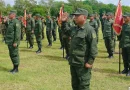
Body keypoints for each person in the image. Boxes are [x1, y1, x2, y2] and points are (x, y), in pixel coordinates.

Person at [62, 8, 98, 90]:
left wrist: (90, 62)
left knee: (83, 85)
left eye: (77, 16)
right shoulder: (75, 28)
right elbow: (66, 31)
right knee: (75, 85)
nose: (75, 17)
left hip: (83, 63)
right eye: (74, 15)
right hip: (73, 62)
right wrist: (64, 22)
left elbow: (93, 48)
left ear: (84, 17)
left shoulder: (89, 30)